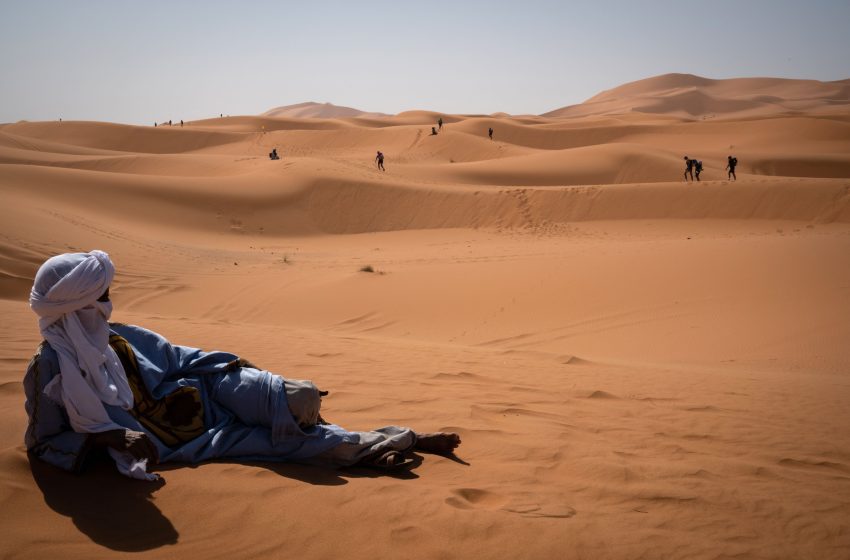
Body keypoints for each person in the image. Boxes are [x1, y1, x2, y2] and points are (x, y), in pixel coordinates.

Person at [24, 251, 460, 480]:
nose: (107, 303)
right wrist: (111, 438)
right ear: (77, 306)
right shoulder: (48, 370)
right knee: (286, 444)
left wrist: (243, 368)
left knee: (298, 399)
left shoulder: (117, 334)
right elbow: (43, 443)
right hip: (191, 439)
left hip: (209, 389)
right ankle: (397, 443)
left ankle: (372, 445)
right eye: (100, 296)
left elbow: (180, 358)